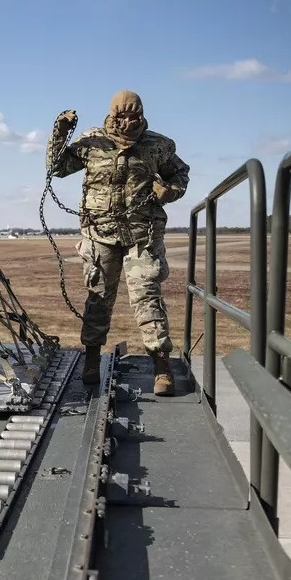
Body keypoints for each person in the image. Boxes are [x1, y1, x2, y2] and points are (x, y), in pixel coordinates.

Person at [47, 89, 191, 396]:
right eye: (121, 116)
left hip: (142, 236)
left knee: (147, 298)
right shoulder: (91, 142)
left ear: (141, 115)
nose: (128, 122)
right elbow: (57, 169)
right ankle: (91, 360)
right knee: (98, 298)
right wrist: (59, 133)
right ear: (112, 115)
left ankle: (162, 367)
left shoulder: (158, 145)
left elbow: (180, 175)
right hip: (100, 235)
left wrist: (170, 191)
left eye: (134, 116)